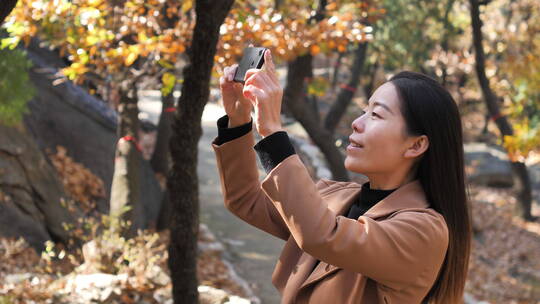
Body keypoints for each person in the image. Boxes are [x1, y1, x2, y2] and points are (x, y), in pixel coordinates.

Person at [212, 50, 472, 304]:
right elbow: (246, 199)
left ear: (416, 146)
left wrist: (272, 132)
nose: (357, 123)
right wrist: (238, 119)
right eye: (363, 110)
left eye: (376, 115)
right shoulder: (334, 195)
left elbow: (322, 235)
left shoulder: (424, 231)